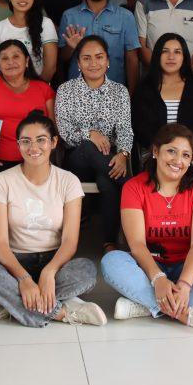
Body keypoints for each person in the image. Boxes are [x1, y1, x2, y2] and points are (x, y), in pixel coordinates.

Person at [0, 111, 106, 327]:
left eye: (41, 140)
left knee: (86, 271)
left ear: (53, 142)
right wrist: (23, 279)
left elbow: (70, 242)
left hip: (55, 262)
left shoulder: (68, 181)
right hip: (14, 264)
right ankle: (60, 311)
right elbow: (1, 245)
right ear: (18, 145)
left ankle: (7, 305)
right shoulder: (2, 181)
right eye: (26, 141)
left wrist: (49, 272)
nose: (33, 148)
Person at [101, 124, 193, 329]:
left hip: (192, 267)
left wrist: (184, 285)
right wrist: (158, 279)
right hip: (149, 268)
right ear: (156, 151)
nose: (178, 161)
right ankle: (186, 312)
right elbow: (137, 244)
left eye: (186, 155)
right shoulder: (134, 187)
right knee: (111, 262)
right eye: (171, 151)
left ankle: (147, 306)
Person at [132, 33, 193, 209]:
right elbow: (139, 127)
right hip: (155, 153)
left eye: (177, 52)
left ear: (184, 57)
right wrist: (163, 149)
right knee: (162, 179)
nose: (171, 57)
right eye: (165, 51)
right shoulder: (145, 89)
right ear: (157, 56)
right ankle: (169, 227)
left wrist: (186, 148)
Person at [55, 36, 132, 252]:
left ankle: (109, 242)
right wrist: (90, 134)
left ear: (108, 61)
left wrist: (123, 154)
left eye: (99, 57)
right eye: (86, 58)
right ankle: (131, 187)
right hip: (78, 160)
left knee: (107, 181)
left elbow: (125, 128)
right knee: (89, 148)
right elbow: (65, 133)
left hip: (110, 160)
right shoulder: (66, 90)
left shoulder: (120, 91)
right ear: (78, 63)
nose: (93, 63)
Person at [0, 39, 56, 192]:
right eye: (4, 58)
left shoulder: (43, 89)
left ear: (27, 61)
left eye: (16, 57)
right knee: (0, 194)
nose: (10, 62)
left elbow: (53, 128)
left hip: (36, 159)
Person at [58, 0, 140, 91]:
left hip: (115, 93)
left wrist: (132, 93)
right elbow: (62, 58)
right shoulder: (69, 16)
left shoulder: (125, 17)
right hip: (77, 94)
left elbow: (132, 58)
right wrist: (71, 47)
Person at [0, 0, 59, 82]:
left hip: (38, 89)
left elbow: (50, 68)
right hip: (6, 90)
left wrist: (35, 91)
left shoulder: (46, 24)